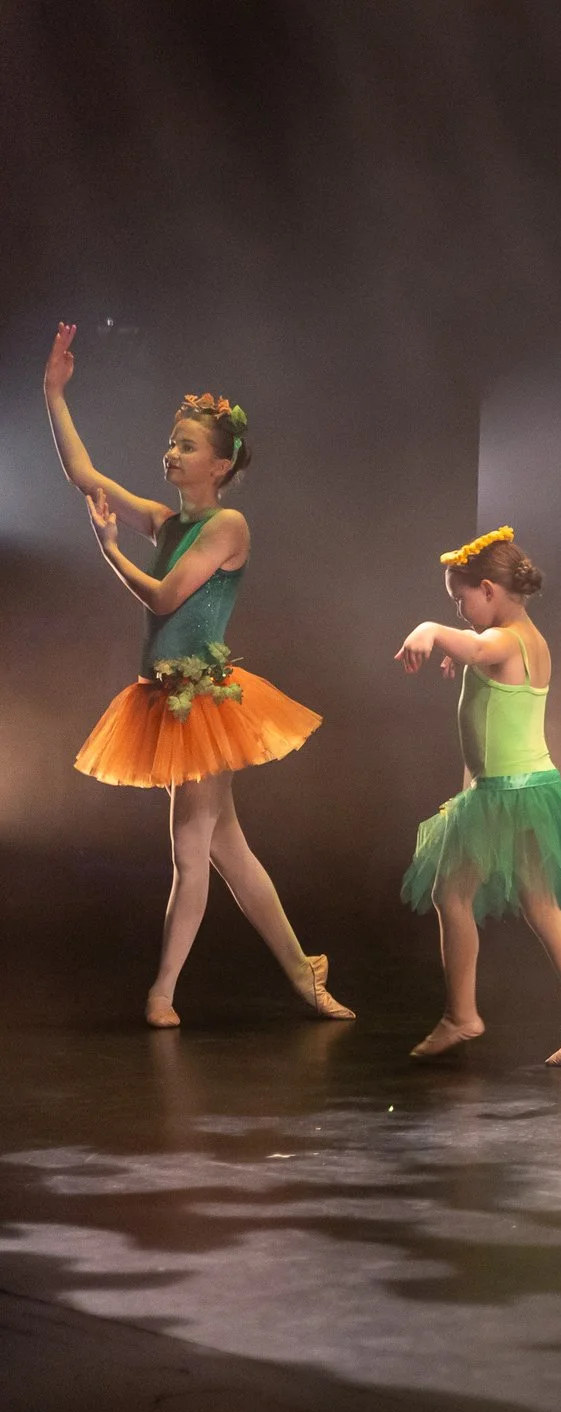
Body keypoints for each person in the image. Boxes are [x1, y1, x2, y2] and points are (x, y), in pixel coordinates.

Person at [44, 323, 350, 1029]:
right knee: (228, 853)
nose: (171, 451)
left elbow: (163, 598)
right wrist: (55, 393)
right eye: (172, 440)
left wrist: (108, 550)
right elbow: (85, 478)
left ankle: (162, 992)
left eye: (187, 444)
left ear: (218, 466)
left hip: (202, 703)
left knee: (191, 853)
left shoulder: (227, 526)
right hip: (166, 698)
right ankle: (304, 975)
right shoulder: (164, 521)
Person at [397, 529, 561, 1066]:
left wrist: (431, 630)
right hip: (530, 791)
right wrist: (459, 653)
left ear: (489, 589)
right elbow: (480, 666)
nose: (460, 609)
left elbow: (475, 646)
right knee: (540, 905)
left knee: (452, 897)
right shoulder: (528, 639)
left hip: (508, 796)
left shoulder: (504, 640)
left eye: (460, 599)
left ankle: (462, 1015)